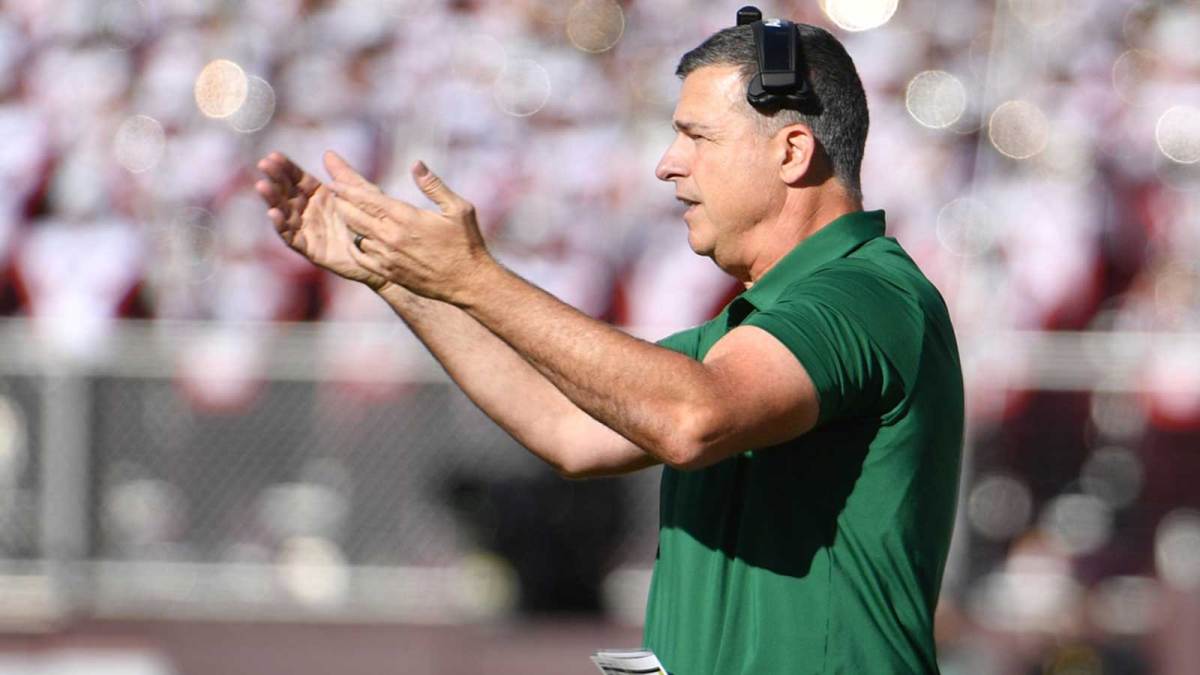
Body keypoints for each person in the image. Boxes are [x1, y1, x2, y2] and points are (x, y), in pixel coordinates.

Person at [255, 17, 963, 675]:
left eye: (697, 137)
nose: (667, 164)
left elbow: (692, 419)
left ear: (790, 150)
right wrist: (400, 276)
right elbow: (567, 429)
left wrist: (476, 277)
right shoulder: (745, 331)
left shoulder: (866, 295)